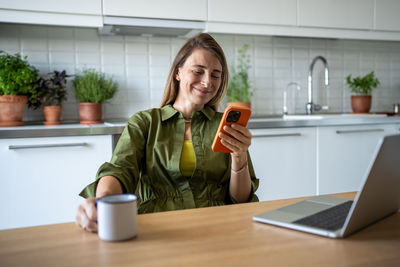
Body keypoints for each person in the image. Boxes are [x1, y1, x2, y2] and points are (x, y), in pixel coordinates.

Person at [75, 33, 259, 232]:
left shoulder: (224, 126)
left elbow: (241, 200)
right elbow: (120, 170)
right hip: (159, 230)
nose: (208, 82)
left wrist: (240, 157)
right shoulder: (145, 123)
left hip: (218, 228)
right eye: (198, 71)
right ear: (178, 72)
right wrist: (102, 201)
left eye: (215, 75)